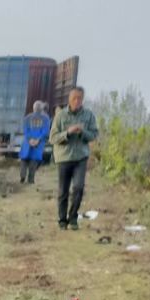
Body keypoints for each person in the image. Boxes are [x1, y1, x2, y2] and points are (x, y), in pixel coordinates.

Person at [50, 86, 99, 229]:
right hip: (64, 158)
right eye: (74, 98)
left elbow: (94, 135)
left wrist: (83, 132)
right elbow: (52, 138)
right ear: (69, 100)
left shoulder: (88, 115)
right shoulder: (60, 116)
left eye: (79, 98)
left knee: (78, 188)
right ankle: (62, 220)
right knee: (63, 191)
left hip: (80, 158)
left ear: (82, 99)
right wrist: (68, 132)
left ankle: (73, 218)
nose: (77, 101)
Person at [18, 100, 50, 184]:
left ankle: (22, 176)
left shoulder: (27, 118)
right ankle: (31, 180)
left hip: (27, 143)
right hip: (38, 144)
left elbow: (25, 130)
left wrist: (29, 139)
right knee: (34, 161)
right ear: (41, 109)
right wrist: (38, 140)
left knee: (24, 159)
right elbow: (45, 131)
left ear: (33, 108)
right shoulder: (46, 119)